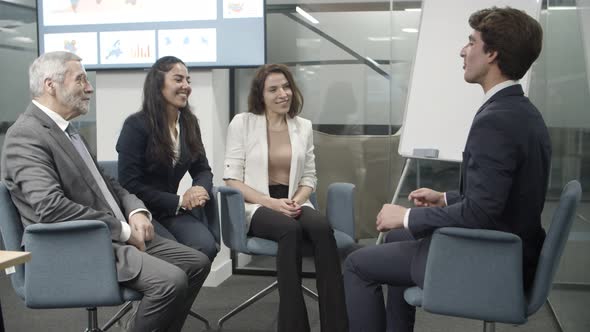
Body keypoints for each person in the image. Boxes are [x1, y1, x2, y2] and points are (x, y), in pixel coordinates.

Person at [343, 7, 551, 332]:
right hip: (509, 252)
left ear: (492, 53)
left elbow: (481, 213)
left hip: (488, 263)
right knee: (397, 237)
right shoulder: (521, 111)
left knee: (357, 263)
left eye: (471, 42)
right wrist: (443, 197)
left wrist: (407, 216)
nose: (463, 50)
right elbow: (499, 198)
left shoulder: (496, 120)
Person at [0, 51, 211, 332]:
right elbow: (50, 207)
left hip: (108, 235)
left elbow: (109, 184)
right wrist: (122, 230)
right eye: (81, 80)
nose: (89, 88)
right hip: (79, 245)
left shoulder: (68, 131)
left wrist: (135, 210)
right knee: (170, 281)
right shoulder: (26, 134)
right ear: (51, 85)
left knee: (196, 262)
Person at [223, 64, 348, 332]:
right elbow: (232, 179)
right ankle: (293, 326)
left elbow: (310, 178)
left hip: (293, 200)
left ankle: (336, 325)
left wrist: (296, 200)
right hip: (257, 204)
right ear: (261, 95)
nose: (283, 93)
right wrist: (272, 204)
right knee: (289, 229)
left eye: (286, 86)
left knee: (323, 228)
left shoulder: (303, 126)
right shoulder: (242, 123)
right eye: (273, 89)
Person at [116, 56, 218, 261]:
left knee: (206, 247)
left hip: (170, 211)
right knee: (180, 256)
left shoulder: (189, 123)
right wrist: (180, 200)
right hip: (142, 211)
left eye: (188, 80)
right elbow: (129, 184)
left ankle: (179, 294)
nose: (186, 86)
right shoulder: (136, 125)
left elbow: (202, 169)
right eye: (178, 79)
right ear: (158, 83)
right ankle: (166, 293)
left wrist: (199, 188)